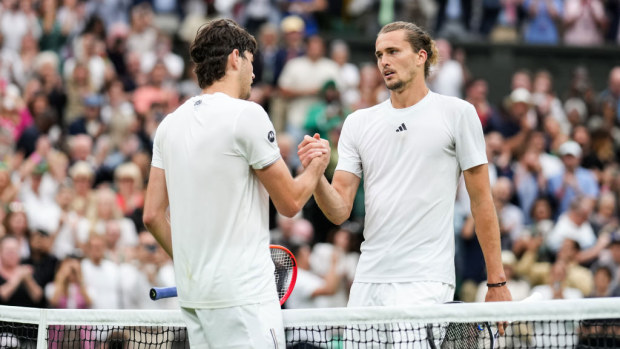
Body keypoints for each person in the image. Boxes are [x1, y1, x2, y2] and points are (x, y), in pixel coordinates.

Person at [298, 21, 511, 311]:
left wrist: (497, 282)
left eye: (393, 51)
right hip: (368, 281)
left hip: (426, 281)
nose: (384, 61)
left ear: (421, 57)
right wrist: (317, 174)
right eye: (379, 54)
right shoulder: (358, 123)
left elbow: (482, 201)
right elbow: (339, 211)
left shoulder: (458, 113)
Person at [142, 19, 330, 348]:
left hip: (194, 296)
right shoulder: (247, 114)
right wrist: (316, 166)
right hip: (243, 298)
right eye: (251, 63)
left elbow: (152, 216)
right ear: (235, 58)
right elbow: (290, 203)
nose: (254, 75)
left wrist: (194, 262)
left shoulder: (169, 125)